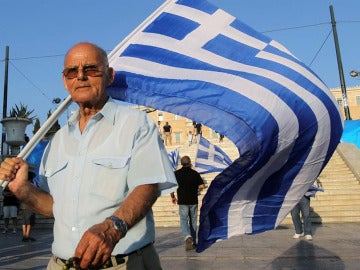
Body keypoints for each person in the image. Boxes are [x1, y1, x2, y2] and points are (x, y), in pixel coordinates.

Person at [0, 42, 177, 270]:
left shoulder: (135, 124)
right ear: (65, 81)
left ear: (110, 76)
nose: (81, 76)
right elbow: (56, 207)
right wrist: (22, 190)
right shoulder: (58, 140)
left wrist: (112, 229)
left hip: (121, 264)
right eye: (72, 71)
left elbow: (148, 186)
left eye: (91, 69)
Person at [170, 156, 205, 251]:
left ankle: (187, 236)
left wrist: (173, 197)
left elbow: (172, 187)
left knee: (183, 220)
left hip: (182, 201)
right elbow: (202, 186)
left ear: (181, 163)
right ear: (189, 163)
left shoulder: (176, 174)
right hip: (193, 201)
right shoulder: (195, 173)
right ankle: (193, 241)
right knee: (193, 221)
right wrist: (197, 189)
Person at [20, 171, 36, 242]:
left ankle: (24, 236)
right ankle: (27, 236)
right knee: (29, 222)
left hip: (23, 205)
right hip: (29, 205)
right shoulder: (31, 184)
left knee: (24, 221)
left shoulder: (23, 184)